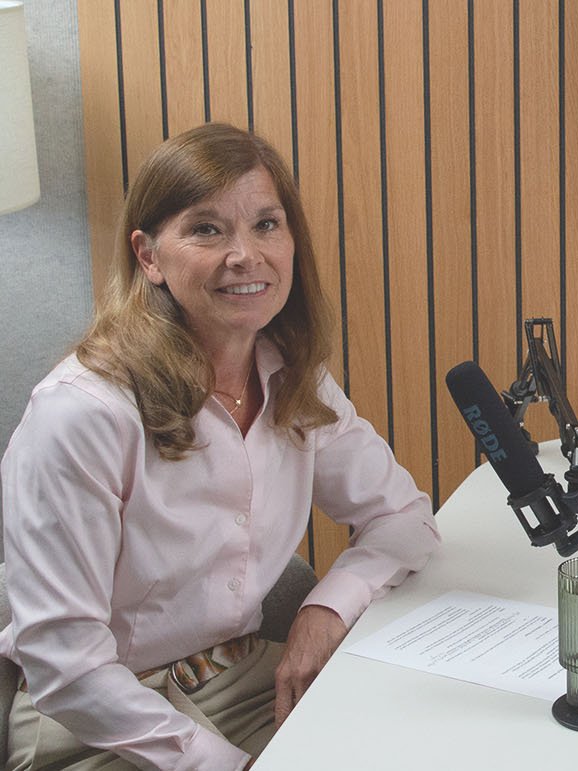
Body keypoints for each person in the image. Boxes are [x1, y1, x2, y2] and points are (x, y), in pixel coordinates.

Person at [0, 123, 441, 770]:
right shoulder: (82, 412)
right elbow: (65, 661)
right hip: (97, 722)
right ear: (148, 255)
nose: (246, 254)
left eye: (266, 224)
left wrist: (326, 607)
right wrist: (218, 762)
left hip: (247, 678)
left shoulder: (292, 376)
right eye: (207, 229)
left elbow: (405, 518)